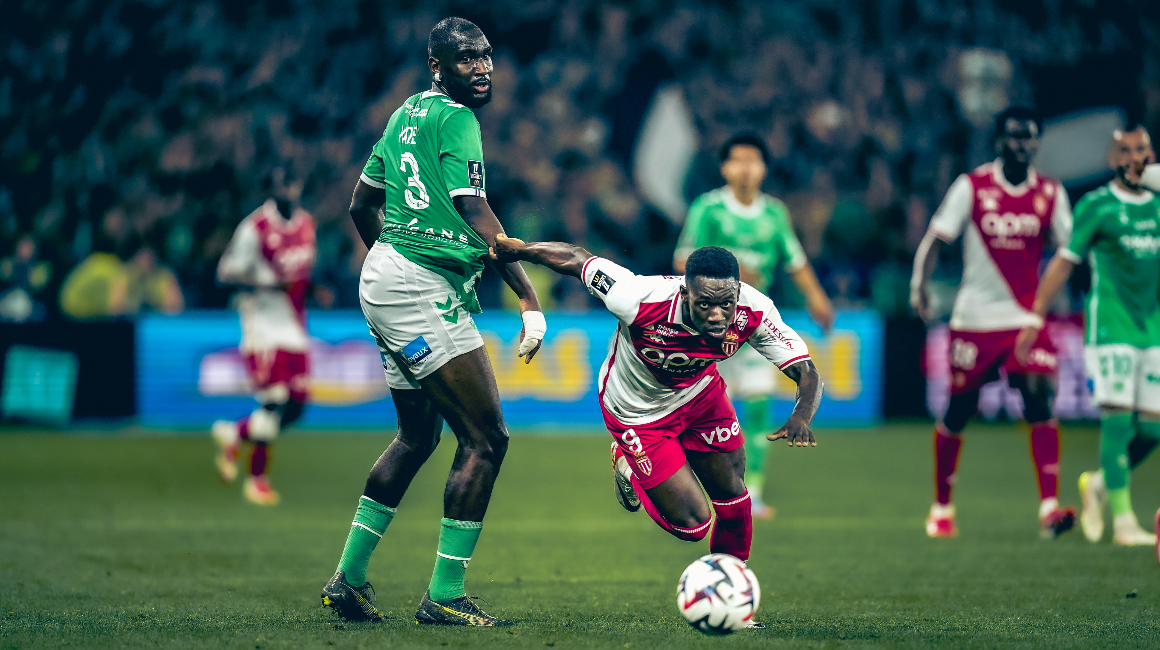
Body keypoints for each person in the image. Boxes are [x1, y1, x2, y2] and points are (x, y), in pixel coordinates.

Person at [319, 17, 545, 627]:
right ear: (437, 67)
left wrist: (388, 261)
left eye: (486, 56)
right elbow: (475, 209)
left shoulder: (404, 114)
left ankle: (348, 580)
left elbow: (361, 204)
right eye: (467, 59)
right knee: (487, 438)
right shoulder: (458, 118)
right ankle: (444, 595)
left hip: (389, 276)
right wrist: (528, 297)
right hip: (417, 285)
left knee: (418, 436)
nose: (482, 68)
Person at [493, 238, 821, 580]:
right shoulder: (637, 297)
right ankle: (628, 465)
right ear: (685, 293)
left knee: (735, 502)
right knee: (694, 525)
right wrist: (522, 250)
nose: (717, 315)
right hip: (636, 412)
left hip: (701, 398)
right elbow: (578, 259)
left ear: (737, 293)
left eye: (726, 304)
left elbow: (807, 371)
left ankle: (731, 588)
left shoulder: (756, 310)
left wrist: (801, 415)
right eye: (705, 304)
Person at [910, 106, 1077, 539]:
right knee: (958, 411)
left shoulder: (1051, 193)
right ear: (999, 142)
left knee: (1039, 396)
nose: (1022, 144)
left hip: (1026, 318)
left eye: (1029, 136)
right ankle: (942, 509)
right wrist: (919, 285)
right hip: (975, 320)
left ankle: (1049, 508)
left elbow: (1070, 251)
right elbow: (936, 237)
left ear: (1037, 143)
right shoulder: (973, 186)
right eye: (1014, 136)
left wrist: (1052, 302)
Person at [674, 133, 834, 519]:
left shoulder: (774, 213)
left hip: (753, 323)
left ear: (763, 169)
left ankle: (753, 491)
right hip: (709, 328)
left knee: (760, 405)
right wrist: (731, 271)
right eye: (738, 160)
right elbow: (682, 259)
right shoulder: (709, 208)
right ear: (725, 168)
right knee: (706, 410)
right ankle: (691, 482)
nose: (746, 168)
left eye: (753, 160)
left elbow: (795, 260)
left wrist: (816, 296)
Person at [1015, 125, 1160, 547]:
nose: (1133, 157)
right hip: (1110, 325)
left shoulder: (1158, 205)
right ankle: (1125, 522)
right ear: (1112, 159)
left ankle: (1098, 484)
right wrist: (1036, 316)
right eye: (1124, 150)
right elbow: (1064, 262)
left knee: (1153, 430)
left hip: (1152, 328)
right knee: (1118, 420)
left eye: (1141, 149)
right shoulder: (1097, 206)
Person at [212, 170, 316, 506]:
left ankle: (234, 433)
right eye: (282, 183)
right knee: (274, 400)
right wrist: (268, 285)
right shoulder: (254, 227)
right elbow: (225, 273)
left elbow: (301, 275)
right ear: (272, 188)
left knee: (296, 407)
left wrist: (317, 289)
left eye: (293, 182)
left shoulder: (306, 224)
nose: (289, 189)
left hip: (293, 326)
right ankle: (257, 481)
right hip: (261, 325)